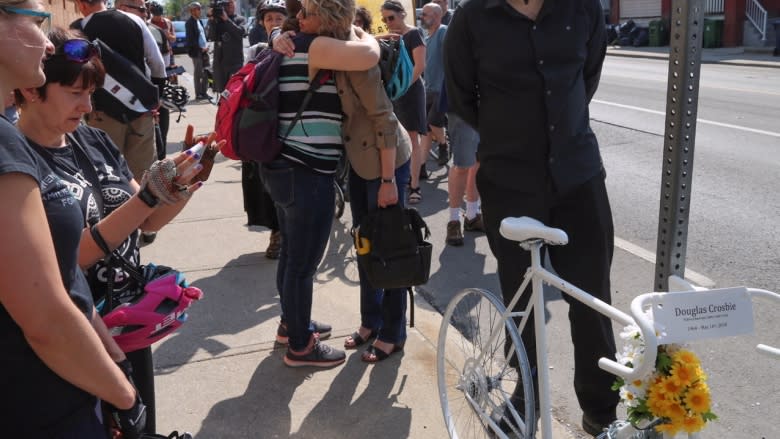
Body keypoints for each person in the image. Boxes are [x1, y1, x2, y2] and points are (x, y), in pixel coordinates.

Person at [15, 27, 220, 435]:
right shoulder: (18, 164)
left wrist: (185, 183)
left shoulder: (94, 141)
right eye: (76, 93)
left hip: (126, 325)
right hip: (77, 339)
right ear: (33, 90)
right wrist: (148, 196)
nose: (88, 105)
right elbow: (74, 257)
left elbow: (147, 223)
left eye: (92, 93)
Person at [444, 0, 619, 435]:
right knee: (521, 301)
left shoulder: (583, 9)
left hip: (579, 176)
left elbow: (587, 75)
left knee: (592, 300)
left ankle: (601, 410)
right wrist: (513, 136)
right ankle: (527, 398)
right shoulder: (472, 17)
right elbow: (463, 97)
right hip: (510, 179)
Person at [0, 3, 139, 436]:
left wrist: (113, 360)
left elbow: (62, 283)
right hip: (37, 401)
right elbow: (45, 320)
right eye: (34, 21)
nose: (45, 41)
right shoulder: (7, 146)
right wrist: (125, 397)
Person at [264, 0, 380, 367]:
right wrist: (364, 33)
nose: (298, 17)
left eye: (307, 13)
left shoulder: (296, 43)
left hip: (282, 167)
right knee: (303, 264)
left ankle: (290, 324)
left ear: (327, 19)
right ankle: (301, 346)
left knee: (290, 255)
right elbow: (368, 54)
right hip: (306, 169)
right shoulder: (313, 45)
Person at [72, 0, 167, 181]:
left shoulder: (78, 29)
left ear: (81, 4)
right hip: (141, 110)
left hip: (102, 113)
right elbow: (157, 64)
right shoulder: (134, 20)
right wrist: (155, 98)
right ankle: (146, 208)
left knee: (109, 175)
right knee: (144, 175)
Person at [379, 0, 426, 204]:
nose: (388, 22)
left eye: (391, 17)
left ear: (402, 14)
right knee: (396, 140)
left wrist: (402, 88)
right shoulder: (388, 37)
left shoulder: (413, 33)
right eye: (384, 19)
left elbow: (420, 66)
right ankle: (402, 180)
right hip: (393, 93)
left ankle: (414, 185)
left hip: (410, 92)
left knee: (412, 139)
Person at [418, 2, 448, 168]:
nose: (421, 17)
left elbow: (451, 57)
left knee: (432, 122)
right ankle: (421, 166)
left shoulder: (443, 31)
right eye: (421, 14)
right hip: (428, 88)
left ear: (436, 16)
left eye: (425, 14)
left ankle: (443, 144)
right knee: (426, 129)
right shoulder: (425, 36)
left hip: (441, 88)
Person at [208, 0, 246, 93]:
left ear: (235, 4)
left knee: (235, 92)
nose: (230, 6)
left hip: (234, 63)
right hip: (220, 63)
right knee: (221, 92)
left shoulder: (240, 19)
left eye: (231, 3)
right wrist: (212, 20)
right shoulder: (217, 21)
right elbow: (211, 37)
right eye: (227, 4)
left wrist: (227, 20)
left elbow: (240, 33)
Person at [185, 1, 210, 100]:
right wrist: (201, 48)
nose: (200, 11)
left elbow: (202, 36)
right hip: (197, 52)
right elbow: (191, 40)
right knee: (198, 73)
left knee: (206, 73)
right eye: (198, 9)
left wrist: (206, 45)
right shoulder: (189, 23)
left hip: (204, 51)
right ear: (192, 11)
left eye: (200, 8)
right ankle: (198, 94)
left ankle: (204, 92)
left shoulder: (199, 21)